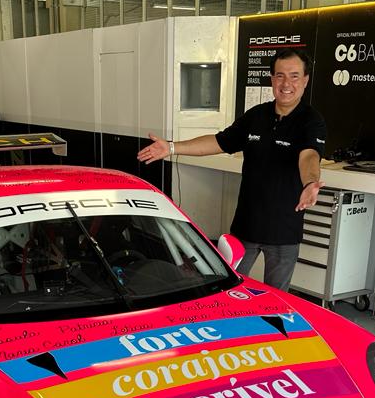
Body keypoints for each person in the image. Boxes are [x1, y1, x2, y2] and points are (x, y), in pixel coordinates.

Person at [137, 49, 326, 292]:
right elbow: (219, 141)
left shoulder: (312, 120)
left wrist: (311, 183)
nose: (286, 83)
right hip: (247, 225)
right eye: (280, 76)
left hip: (284, 230)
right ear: (271, 79)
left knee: (276, 298)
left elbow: (309, 156)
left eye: (294, 76)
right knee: (227, 290)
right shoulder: (256, 115)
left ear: (305, 80)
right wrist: (172, 147)